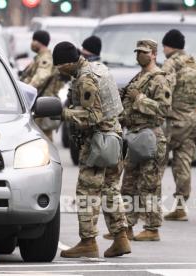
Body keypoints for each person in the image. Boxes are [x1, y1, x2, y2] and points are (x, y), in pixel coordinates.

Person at [53, 41, 131, 258]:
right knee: (110, 190)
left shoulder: (86, 79)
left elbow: (93, 117)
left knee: (87, 193)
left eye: (60, 66)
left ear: (68, 63)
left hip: (99, 143)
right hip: (114, 139)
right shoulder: (98, 68)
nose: (59, 71)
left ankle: (88, 242)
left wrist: (65, 114)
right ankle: (120, 238)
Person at [120, 39, 172, 241]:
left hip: (150, 136)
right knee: (128, 185)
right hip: (134, 135)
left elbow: (163, 109)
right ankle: (128, 226)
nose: (139, 55)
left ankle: (152, 228)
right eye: (138, 52)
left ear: (153, 55)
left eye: (144, 52)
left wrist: (139, 98)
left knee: (149, 185)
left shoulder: (159, 79)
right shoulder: (139, 77)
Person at [161, 29, 196, 221]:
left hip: (172, 121)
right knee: (183, 164)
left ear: (167, 46)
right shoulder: (195, 64)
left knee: (156, 163)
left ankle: (149, 207)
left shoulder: (170, 64)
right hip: (192, 120)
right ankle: (180, 207)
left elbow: (163, 92)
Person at [20, 30, 63, 141]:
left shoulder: (45, 58)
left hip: (43, 101)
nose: (32, 43)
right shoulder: (40, 57)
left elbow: (41, 77)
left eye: (34, 40)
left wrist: (26, 90)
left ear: (39, 42)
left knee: (43, 138)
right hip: (39, 101)